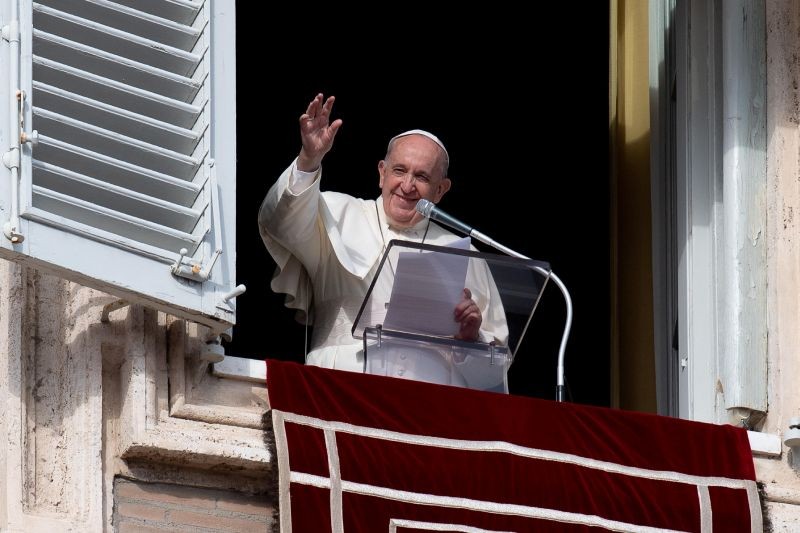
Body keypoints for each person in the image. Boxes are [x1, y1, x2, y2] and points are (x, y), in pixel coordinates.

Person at [258, 93, 508, 376]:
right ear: (382, 173)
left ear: (441, 190)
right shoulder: (335, 213)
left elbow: (495, 370)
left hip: (428, 403)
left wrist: (470, 341)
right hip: (342, 387)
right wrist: (309, 158)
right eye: (399, 171)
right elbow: (278, 220)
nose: (408, 185)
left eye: (423, 177)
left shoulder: (462, 252)